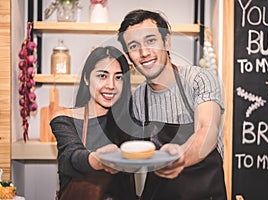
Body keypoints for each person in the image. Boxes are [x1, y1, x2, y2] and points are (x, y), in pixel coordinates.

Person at [117, 9, 227, 199]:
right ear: (129, 56)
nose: (144, 53)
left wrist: (179, 159)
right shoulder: (138, 98)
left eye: (151, 40)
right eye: (134, 46)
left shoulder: (200, 79)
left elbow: (206, 129)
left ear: (167, 42)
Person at [50, 46, 136, 200]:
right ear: (86, 79)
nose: (111, 85)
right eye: (102, 76)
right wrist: (99, 159)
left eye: (118, 77)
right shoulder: (64, 119)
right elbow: (72, 156)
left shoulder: (130, 122)